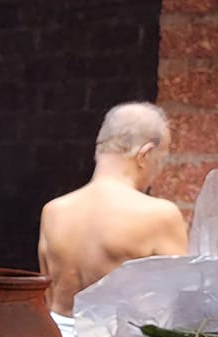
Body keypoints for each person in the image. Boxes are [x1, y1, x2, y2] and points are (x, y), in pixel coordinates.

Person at [37, 102, 189, 316]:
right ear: (145, 155)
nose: (159, 170)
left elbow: (47, 296)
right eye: (161, 159)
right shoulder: (159, 215)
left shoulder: (53, 211)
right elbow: (178, 305)